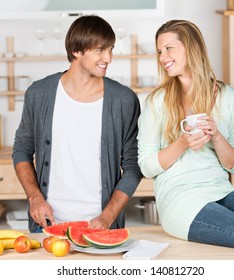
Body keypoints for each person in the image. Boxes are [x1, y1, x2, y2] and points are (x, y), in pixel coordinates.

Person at [137, 19, 234, 259]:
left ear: (191, 48)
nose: (163, 57)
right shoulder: (157, 102)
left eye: (169, 48)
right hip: (179, 199)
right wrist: (182, 143)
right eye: (160, 51)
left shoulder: (230, 98)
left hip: (221, 191)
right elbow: (146, 166)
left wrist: (216, 136)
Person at [12, 15, 142, 233]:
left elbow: (133, 167)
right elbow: (22, 150)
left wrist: (107, 218)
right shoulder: (39, 93)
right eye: (100, 50)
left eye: (111, 49)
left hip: (101, 226)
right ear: (76, 51)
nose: (108, 58)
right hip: (48, 223)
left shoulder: (123, 100)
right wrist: (35, 198)